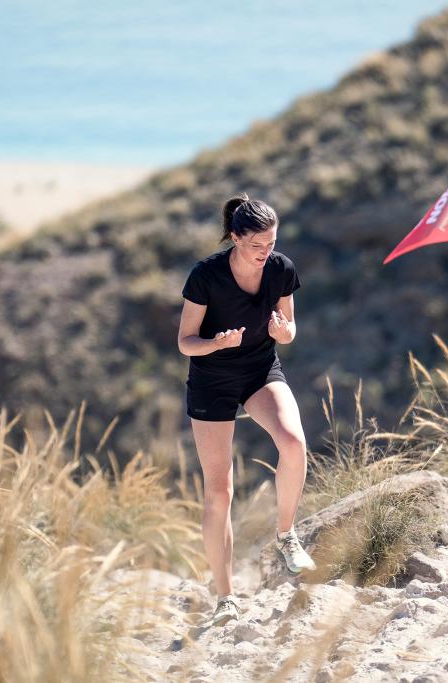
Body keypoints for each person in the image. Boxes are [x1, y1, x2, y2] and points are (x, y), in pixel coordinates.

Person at [177, 192, 317, 627]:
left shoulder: (280, 269)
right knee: (219, 493)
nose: (265, 252)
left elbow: (290, 330)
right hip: (212, 381)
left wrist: (283, 330)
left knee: (293, 442)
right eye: (257, 245)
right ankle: (225, 598)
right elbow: (185, 342)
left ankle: (286, 535)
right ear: (235, 237)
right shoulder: (206, 275)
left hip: (259, 370)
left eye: (271, 243)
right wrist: (215, 343)